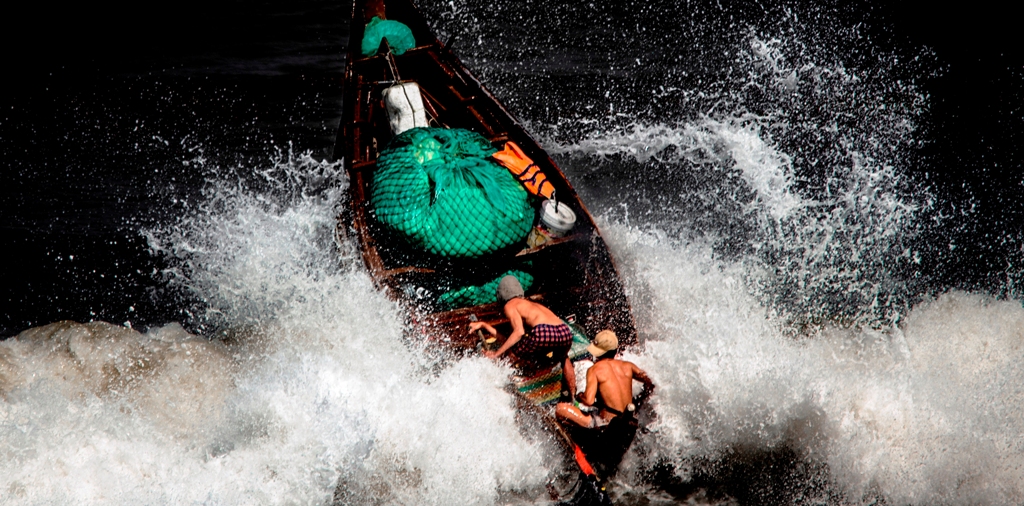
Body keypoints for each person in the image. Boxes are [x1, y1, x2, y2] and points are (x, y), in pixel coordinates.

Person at [468, 275, 576, 389]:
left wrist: (496, 354)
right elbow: (507, 339)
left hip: (543, 332)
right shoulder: (531, 305)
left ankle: (500, 385)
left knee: (511, 354)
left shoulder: (509, 305)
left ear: (501, 296)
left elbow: (519, 332)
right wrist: (484, 325)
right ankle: (571, 397)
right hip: (564, 331)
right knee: (563, 358)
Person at [555, 330, 655, 430]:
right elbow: (651, 382)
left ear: (598, 353)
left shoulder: (594, 369)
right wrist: (641, 399)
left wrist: (580, 396)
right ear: (616, 349)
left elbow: (589, 401)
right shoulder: (628, 366)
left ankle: (579, 436)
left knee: (560, 409)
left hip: (606, 424)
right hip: (629, 422)